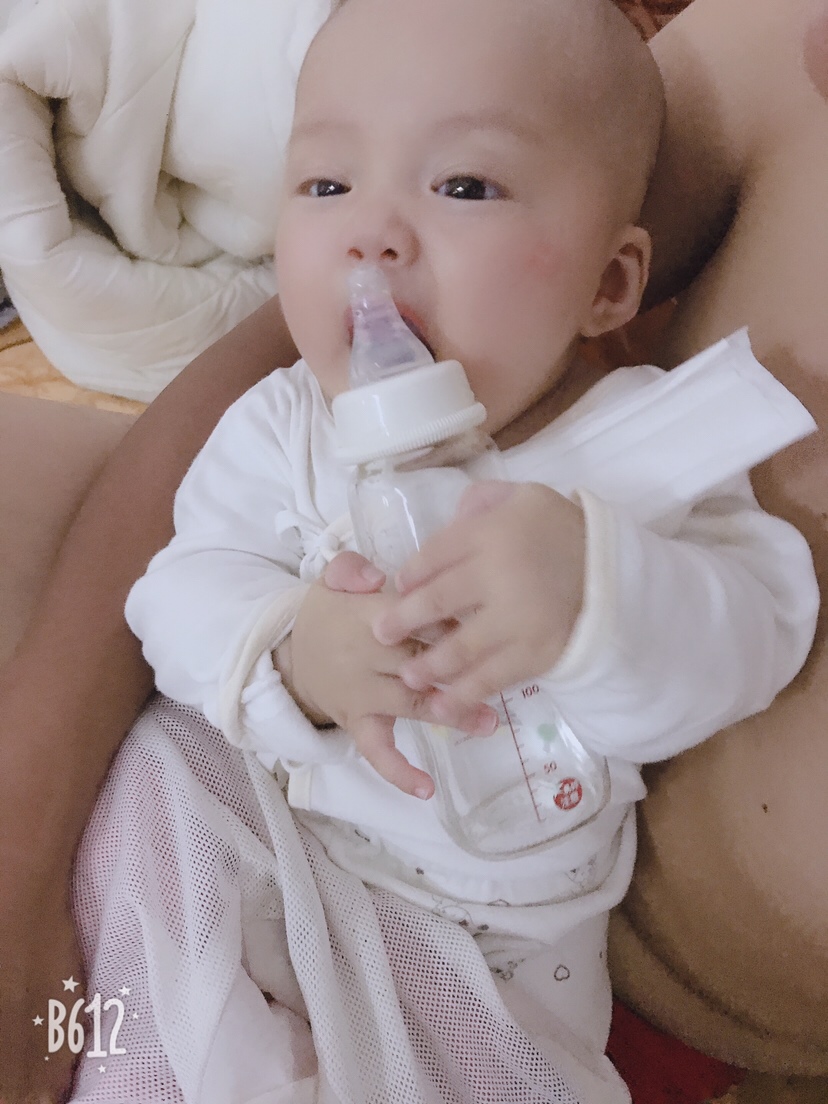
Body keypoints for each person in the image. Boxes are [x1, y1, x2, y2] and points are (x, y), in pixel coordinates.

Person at [2, 0, 828, 1101]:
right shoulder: (286, 424)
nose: (372, 237)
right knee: (153, 790)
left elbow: (756, 629)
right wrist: (288, 650)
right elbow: (176, 589)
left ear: (610, 286)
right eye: (326, 184)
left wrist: (597, 597)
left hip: (499, 954)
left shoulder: (638, 453)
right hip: (265, 844)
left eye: (465, 187)